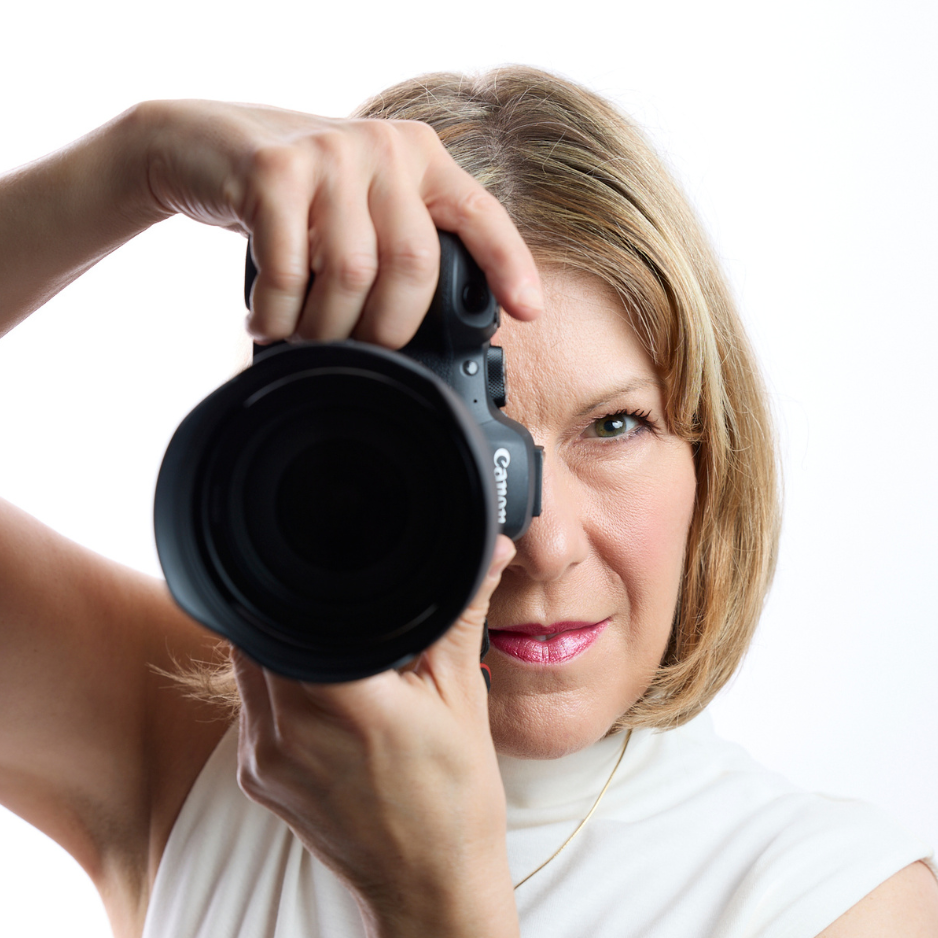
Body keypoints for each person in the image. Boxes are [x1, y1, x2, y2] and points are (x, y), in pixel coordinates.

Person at [0, 67, 935, 938]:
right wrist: (134, 164)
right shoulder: (197, 746)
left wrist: (437, 894)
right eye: (454, 449)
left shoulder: (840, 901)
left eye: (614, 427)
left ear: (708, 455)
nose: (544, 541)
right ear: (320, 463)